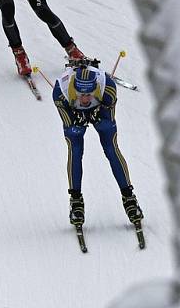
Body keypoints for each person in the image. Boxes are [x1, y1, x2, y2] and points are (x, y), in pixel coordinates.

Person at [52, 59, 143, 228]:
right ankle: (76, 201)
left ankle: (129, 197)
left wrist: (96, 113)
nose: (85, 99)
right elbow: (69, 125)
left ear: (96, 89)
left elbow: (109, 116)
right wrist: (76, 121)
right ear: (74, 89)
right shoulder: (60, 91)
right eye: (81, 94)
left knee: (111, 148)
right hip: (72, 112)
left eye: (89, 94)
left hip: (101, 110)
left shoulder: (107, 87)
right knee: (75, 149)